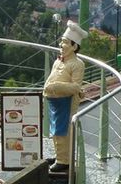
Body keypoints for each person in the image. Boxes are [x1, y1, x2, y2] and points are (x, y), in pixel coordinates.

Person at [43, 20, 88, 176]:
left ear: (74, 46)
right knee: (55, 131)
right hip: (54, 100)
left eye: (65, 43)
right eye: (61, 42)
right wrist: (48, 88)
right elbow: (51, 77)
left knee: (63, 131)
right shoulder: (58, 61)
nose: (61, 46)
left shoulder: (77, 64)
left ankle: (64, 160)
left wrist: (55, 87)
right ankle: (59, 156)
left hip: (66, 102)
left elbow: (75, 87)